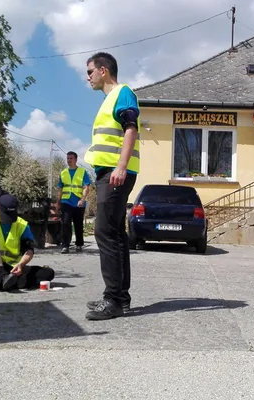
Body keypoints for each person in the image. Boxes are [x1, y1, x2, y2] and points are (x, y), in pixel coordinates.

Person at [83, 52, 140, 320]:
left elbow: (131, 128)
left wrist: (121, 166)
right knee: (116, 234)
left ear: (103, 70)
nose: (88, 77)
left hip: (115, 174)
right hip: (109, 173)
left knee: (104, 232)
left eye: (90, 71)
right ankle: (120, 297)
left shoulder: (122, 93)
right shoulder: (109, 100)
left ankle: (113, 300)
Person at [0, 194, 55, 291]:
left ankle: (0, 283)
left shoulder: (22, 225)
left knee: (47, 273)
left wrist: (21, 264)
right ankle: (3, 277)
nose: (9, 219)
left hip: (11, 269)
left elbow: (29, 250)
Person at [55, 151, 91, 253]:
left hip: (78, 203)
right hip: (66, 202)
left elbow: (86, 187)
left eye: (71, 158)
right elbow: (60, 189)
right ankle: (65, 245)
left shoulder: (82, 172)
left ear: (76, 159)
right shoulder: (63, 173)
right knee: (65, 223)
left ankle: (79, 244)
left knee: (78, 225)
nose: (69, 160)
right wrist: (58, 202)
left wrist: (82, 199)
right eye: (67, 158)